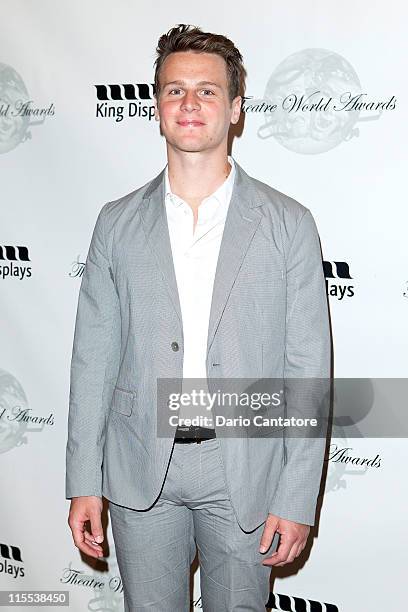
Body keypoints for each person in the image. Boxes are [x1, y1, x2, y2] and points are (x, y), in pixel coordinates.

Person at [66, 24, 331, 611]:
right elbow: (93, 361)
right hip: (140, 468)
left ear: (236, 108)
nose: (190, 103)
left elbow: (307, 373)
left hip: (243, 465)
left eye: (208, 91)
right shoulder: (115, 223)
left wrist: (296, 495)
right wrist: (83, 481)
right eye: (175, 89)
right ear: (156, 105)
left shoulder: (288, 224)